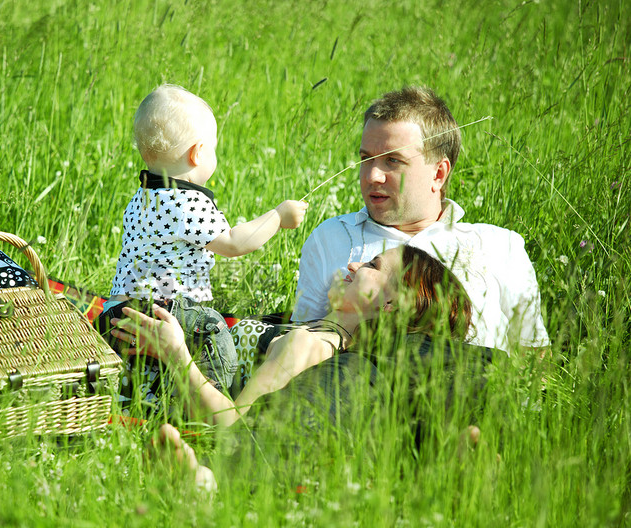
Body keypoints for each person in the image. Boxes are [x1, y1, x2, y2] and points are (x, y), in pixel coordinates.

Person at [293, 86, 550, 354]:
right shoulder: (331, 238)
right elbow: (298, 344)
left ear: (438, 173)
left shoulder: (500, 247)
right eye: (366, 159)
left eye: (392, 161)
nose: (372, 177)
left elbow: (535, 362)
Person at [111, 245, 472, 428]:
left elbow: (235, 426)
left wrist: (176, 354)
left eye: (372, 266)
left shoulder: (309, 346)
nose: (354, 266)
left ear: (392, 302)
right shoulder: (318, 338)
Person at [98, 84, 307, 399]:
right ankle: (219, 399)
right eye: (214, 149)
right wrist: (278, 217)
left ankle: (139, 398)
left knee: (139, 365)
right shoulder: (188, 201)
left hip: (118, 309)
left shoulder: (142, 197)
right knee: (212, 330)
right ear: (197, 153)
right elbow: (234, 244)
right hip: (168, 309)